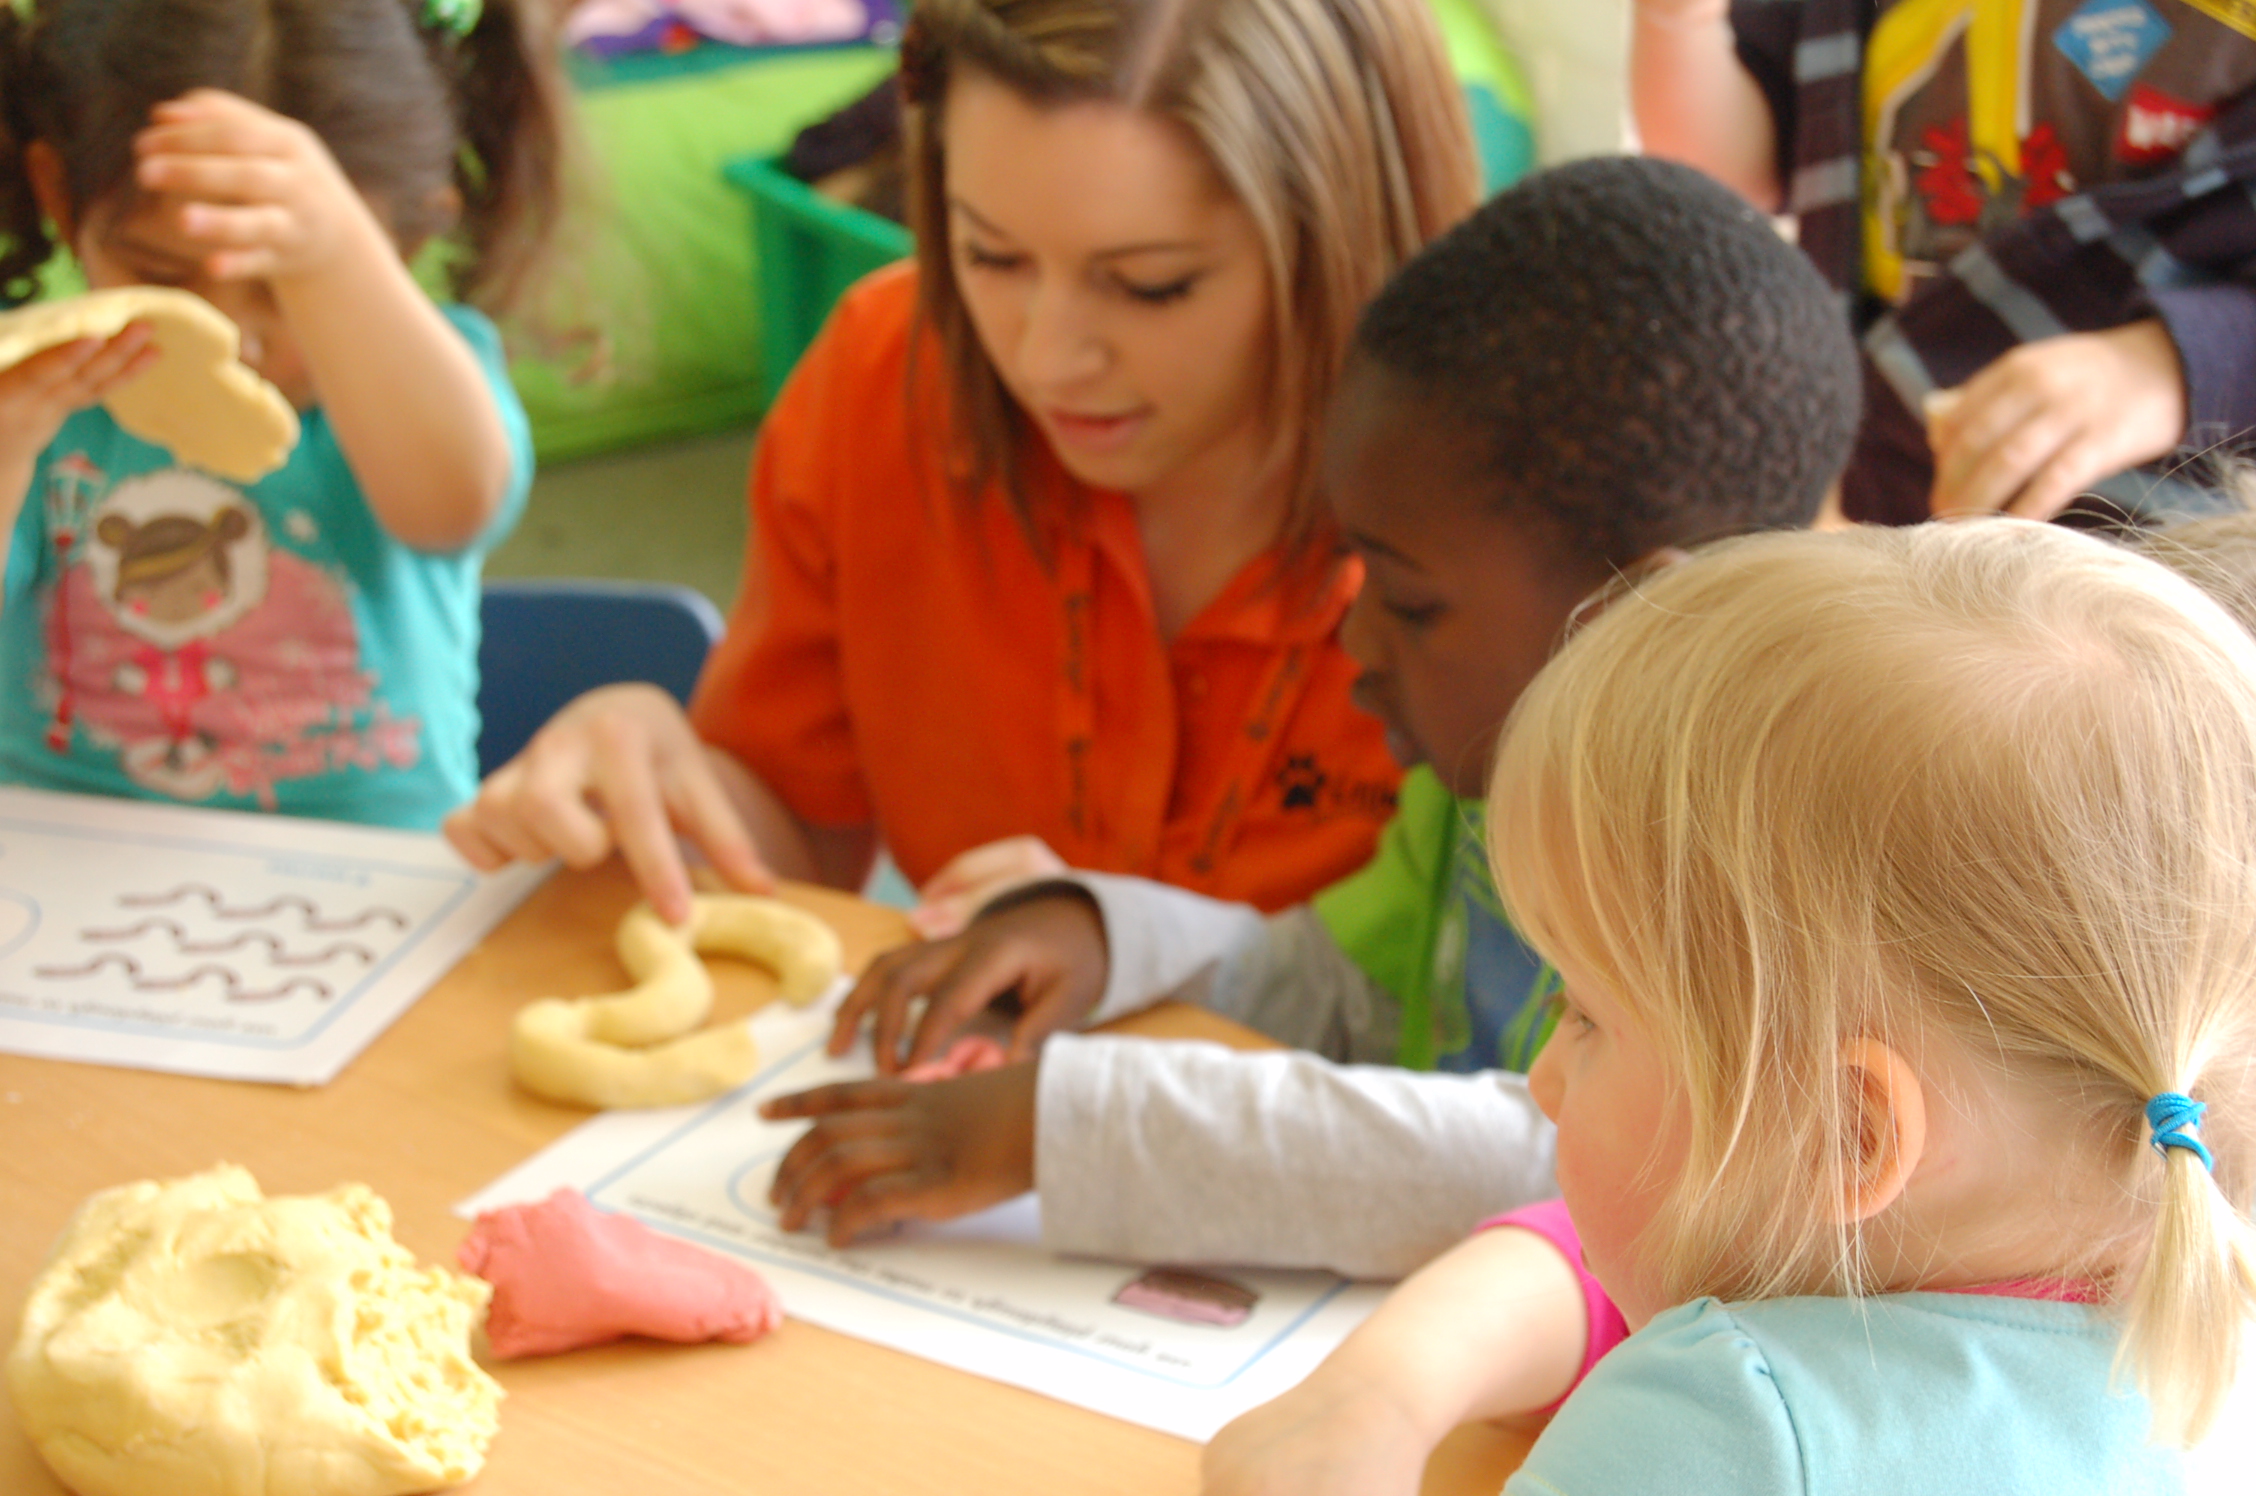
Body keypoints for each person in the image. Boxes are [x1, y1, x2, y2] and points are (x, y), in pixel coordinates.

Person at [756, 157, 1864, 1277]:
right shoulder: (1493, 779)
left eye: (1413, 602)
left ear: (1635, 618)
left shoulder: (1783, 878)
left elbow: (1559, 1162)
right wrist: (1103, 938)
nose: (1358, 642)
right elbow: (1345, 991)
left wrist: (1059, 1125)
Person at [1205, 520, 2256, 1496]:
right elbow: (1601, 1251)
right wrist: (1384, 1386)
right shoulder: (2198, 1300)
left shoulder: (1723, 1425)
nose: (1546, 1077)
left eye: (1587, 1016)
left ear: (1848, 1131)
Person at [443, 0, 1479, 925]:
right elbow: (799, 852)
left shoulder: (1503, 521)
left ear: (1342, 242)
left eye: (1150, 285)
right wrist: (660, 774)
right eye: (992, 254)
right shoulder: (887, 371)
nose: (1045, 357)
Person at [0, 0, 563, 829]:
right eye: (162, 273)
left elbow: (453, 505)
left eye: (284, 288)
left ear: (401, 245)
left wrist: (336, 251)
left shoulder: (411, 380)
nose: (232, 340)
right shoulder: (41, 392)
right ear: (59, 197)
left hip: (372, 881)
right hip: (59, 861)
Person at [1633, 0, 2256, 527]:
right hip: (1883, 470)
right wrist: (1681, 21)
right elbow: (1742, 166)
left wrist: (2165, 368)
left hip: (2159, 541)